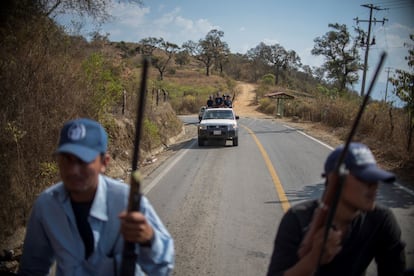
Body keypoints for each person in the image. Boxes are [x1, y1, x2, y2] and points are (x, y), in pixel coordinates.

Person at [18, 118, 174, 275]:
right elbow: (32, 268)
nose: (73, 170)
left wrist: (149, 239)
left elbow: (163, 267)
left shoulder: (127, 201)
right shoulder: (46, 205)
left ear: (104, 162)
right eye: (67, 160)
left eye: (82, 161)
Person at [267, 142, 406, 276]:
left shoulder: (381, 220)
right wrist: (313, 259)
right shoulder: (297, 218)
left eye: (375, 179)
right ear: (336, 180)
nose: (374, 186)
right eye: (365, 179)